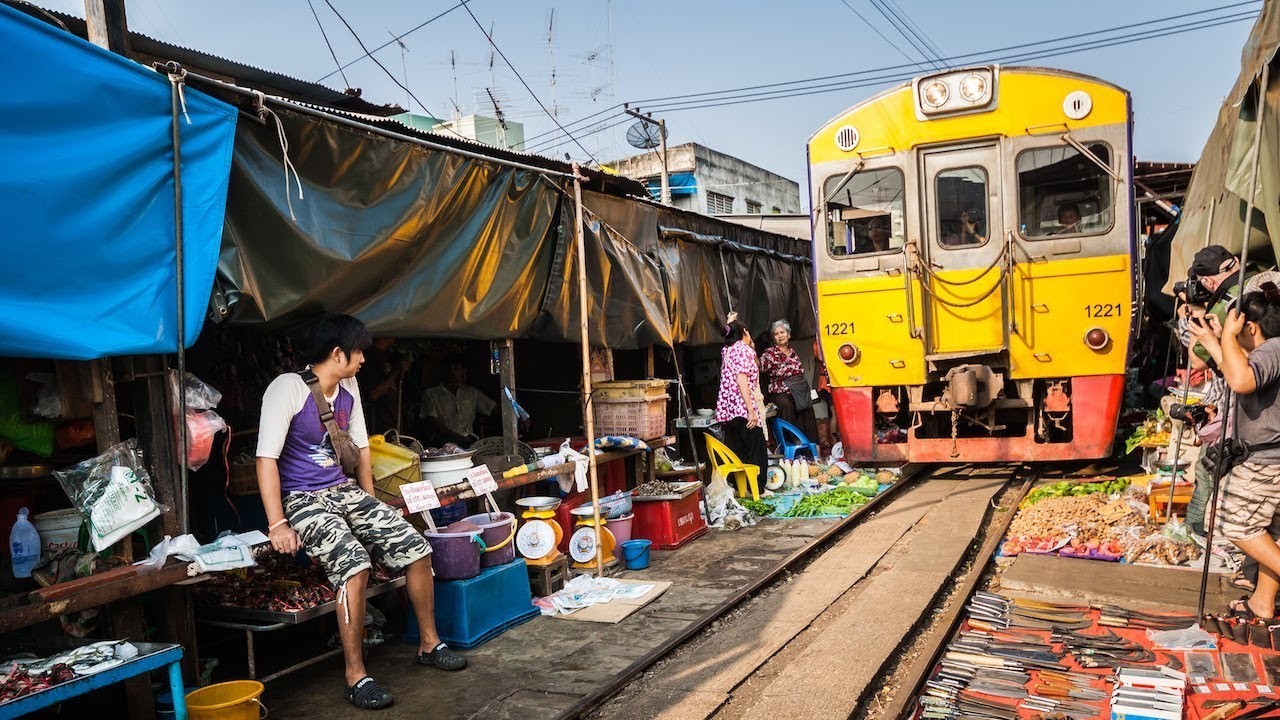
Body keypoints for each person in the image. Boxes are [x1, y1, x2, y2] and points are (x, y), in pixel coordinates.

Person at [256, 315, 466, 711]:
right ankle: (356, 675)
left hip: (344, 491)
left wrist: (372, 505)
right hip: (303, 499)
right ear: (338, 354)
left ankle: (428, 643)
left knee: (416, 547)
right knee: (354, 564)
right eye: (359, 352)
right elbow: (265, 459)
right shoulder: (285, 389)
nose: (364, 360)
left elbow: (361, 449)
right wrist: (277, 523)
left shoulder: (348, 386)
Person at [1187, 283, 1280, 622]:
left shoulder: (1274, 349)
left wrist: (1226, 336)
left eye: (1238, 330)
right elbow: (1233, 368)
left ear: (1250, 328)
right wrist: (1215, 340)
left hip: (1266, 462)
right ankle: (1262, 603)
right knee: (1271, 532)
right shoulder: (1268, 351)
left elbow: (1240, 381)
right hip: (1268, 459)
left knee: (1230, 520)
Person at [716, 313, 768, 472]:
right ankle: (758, 488)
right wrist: (751, 411)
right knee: (756, 451)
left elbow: (731, 334)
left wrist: (731, 324)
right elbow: (741, 380)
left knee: (740, 451)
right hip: (744, 408)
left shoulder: (727, 350)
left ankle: (743, 488)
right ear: (745, 332)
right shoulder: (744, 350)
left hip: (731, 410)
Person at [759, 320, 819, 446]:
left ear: (789, 335)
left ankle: (813, 444)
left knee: (807, 409)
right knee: (786, 406)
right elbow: (761, 366)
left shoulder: (792, 352)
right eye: (776, 334)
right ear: (773, 338)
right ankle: (793, 440)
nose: (780, 335)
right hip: (780, 391)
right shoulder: (769, 353)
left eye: (782, 332)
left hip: (797, 389)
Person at [419, 354, 497, 446]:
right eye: (448, 369)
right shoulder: (430, 394)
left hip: (470, 440)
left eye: (456, 369)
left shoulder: (471, 392)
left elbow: (493, 407)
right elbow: (433, 422)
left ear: (463, 371)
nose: (452, 372)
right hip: (443, 442)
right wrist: (459, 438)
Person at [361, 337, 411, 433]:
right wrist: (396, 370)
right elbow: (373, 394)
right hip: (377, 421)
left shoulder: (393, 356)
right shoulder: (368, 357)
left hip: (394, 417)